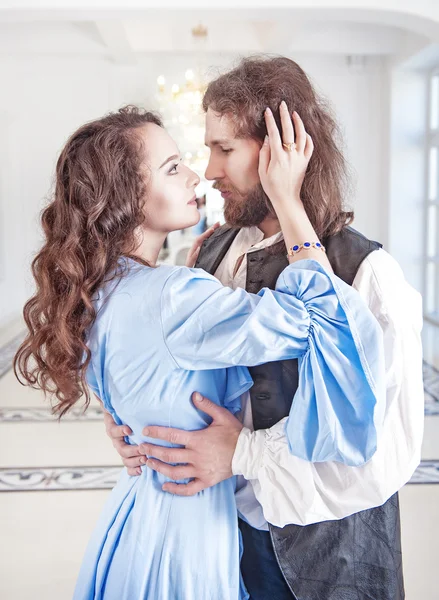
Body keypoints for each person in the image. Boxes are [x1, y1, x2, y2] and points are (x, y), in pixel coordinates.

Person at [13, 104, 386, 600]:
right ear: (126, 196)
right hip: (181, 533)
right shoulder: (173, 294)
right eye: (172, 168)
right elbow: (322, 320)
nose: (197, 175)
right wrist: (289, 203)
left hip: (136, 511)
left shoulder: (99, 288)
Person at [108, 57, 424, 600]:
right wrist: (134, 422)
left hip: (330, 562)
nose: (208, 171)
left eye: (224, 149)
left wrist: (243, 454)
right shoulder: (210, 252)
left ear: (284, 145)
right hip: (225, 543)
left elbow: (383, 458)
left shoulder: (369, 273)